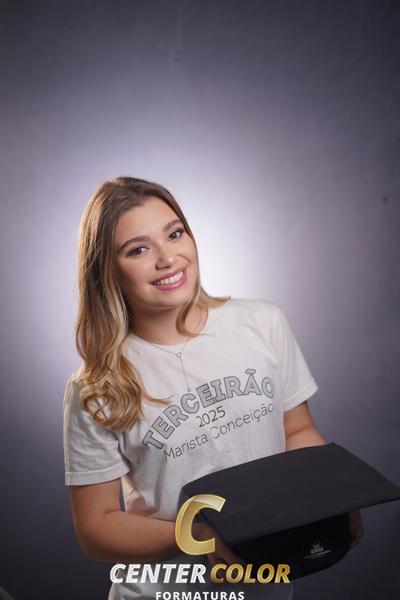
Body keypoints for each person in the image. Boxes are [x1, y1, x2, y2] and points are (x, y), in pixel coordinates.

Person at [63, 176, 363, 600]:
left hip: (267, 584)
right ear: (106, 269)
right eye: (138, 249)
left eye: (174, 233)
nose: (168, 258)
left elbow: (296, 431)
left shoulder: (262, 322)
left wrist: (331, 499)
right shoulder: (98, 385)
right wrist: (197, 535)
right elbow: (96, 528)